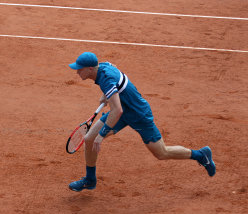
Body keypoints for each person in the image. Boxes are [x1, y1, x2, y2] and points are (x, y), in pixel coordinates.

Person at [68, 52, 216, 192]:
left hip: (138, 114)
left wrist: (102, 135)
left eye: (79, 69)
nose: (77, 72)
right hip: (123, 110)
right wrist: (107, 95)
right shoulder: (103, 66)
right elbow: (114, 72)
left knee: (161, 153)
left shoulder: (105, 79)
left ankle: (201, 155)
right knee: (89, 139)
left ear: (90, 69)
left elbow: (116, 110)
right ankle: (90, 179)